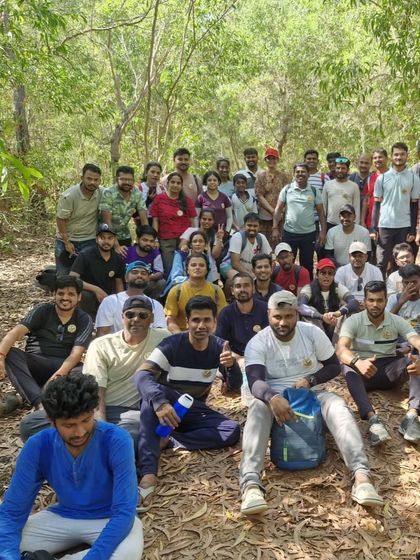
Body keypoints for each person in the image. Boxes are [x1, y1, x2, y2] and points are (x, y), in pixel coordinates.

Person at [239, 291, 383, 515]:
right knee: (257, 407)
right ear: (268, 315)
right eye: (277, 317)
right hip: (274, 395)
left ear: (296, 314)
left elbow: (333, 366)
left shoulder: (312, 333)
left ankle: (362, 476)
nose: (283, 322)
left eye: (288, 316)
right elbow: (255, 381)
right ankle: (250, 484)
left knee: (338, 406)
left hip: (312, 393)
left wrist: (310, 379)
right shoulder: (258, 342)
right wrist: (272, 397)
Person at [0, 373, 143, 559]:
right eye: (69, 425)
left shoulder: (117, 440)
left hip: (111, 519)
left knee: (127, 554)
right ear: (52, 421)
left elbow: (124, 512)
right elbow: (12, 512)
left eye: (86, 420)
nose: (80, 431)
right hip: (63, 516)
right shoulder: (38, 445)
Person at [134, 296, 242, 510]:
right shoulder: (172, 344)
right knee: (153, 395)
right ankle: (147, 472)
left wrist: (232, 366)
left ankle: (169, 439)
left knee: (231, 431)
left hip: (192, 409)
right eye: (195, 320)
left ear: (214, 322)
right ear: (188, 322)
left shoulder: (219, 347)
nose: (201, 326)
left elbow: (234, 388)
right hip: (166, 405)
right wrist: (160, 402)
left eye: (206, 320)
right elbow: (141, 376)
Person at [20, 295, 170, 443]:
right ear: (122, 317)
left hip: (129, 413)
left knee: (137, 436)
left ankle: (86, 444)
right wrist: (101, 426)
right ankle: (97, 444)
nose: (136, 319)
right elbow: (96, 389)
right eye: (130, 315)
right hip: (91, 409)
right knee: (30, 425)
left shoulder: (164, 339)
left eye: (143, 315)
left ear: (151, 318)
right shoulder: (102, 345)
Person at [337, 280, 420, 445]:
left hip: (389, 369)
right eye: (371, 300)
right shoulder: (353, 321)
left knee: (415, 362)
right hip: (363, 371)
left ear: (386, 300)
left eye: (379, 300)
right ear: (365, 301)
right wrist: (357, 362)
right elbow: (340, 349)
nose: (375, 305)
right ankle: (373, 419)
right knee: (348, 367)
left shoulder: (396, 320)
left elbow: (416, 340)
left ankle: (412, 415)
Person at [0, 276, 92, 415]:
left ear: (79, 297)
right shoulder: (42, 311)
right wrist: (1, 356)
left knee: (86, 371)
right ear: (53, 294)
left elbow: (76, 354)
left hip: (63, 367)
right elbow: (15, 333)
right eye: (61, 293)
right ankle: (39, 402)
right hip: (35, 363)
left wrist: (57, 377)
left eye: (71, 294)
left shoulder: (84, 319)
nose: (65, 297)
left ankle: (27, 397)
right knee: (11, 354)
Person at [371, 142, 420, 274]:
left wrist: (412, 230)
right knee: (381, 262)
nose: (399, 157)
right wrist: (373, 228)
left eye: (402, 154)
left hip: (404, 226)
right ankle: (380, 292)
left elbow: (414, 205)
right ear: (391, 156)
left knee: (402, 262)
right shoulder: (382, 178)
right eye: (396, 154)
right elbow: (376, 204)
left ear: (407, 156)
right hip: (384, 226)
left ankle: (400, 292)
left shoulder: (414, 179)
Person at [272, 162, 326, 279]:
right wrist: (275, 228)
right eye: (298, 172)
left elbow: (321, 212)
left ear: (308, 174)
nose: (300, 174)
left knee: (307, 265)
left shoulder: (314, 190)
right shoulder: (287, 189)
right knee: (286, 263)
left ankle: (307, 290)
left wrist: (322, 232)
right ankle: (286, 287)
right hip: (290, 233)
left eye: (303, 172)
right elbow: (278, 210)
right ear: (294, 173)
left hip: (308, 234)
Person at [55, 163, 103, 276]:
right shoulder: (69, 195)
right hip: (67, 240)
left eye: (96, 180)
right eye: (89, 178)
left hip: (89, 239)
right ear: (82, 178)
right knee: (64, 275)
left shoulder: (102, 193)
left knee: (88, 275)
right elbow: (60, 219)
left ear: (100, 180)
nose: (92, 182)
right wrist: (66, 241)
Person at [69, 223, 125, 318]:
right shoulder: (85, 254)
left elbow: (119, 283)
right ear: (96, 239)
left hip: (107, 297)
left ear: (115, 240)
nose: (106, 241)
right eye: (102, 238)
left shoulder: (118, 258)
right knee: (83, 295)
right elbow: (72, 278)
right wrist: (96, 289)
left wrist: (120, 302)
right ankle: (83, 319)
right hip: (88, 296)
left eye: (110, 238)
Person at [95, 261, 166, 336]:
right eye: (134, 272)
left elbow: (160, 334)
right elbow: (102, 333)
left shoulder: (156, 305)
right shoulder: (110, 301)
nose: (139, 275)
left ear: (148, 279)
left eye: (143, 273)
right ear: (126, 278)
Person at [297, 258, 359, 340]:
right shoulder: (309, 288)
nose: (326, 276)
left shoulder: (338, 287)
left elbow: (354, 302)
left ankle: (339, 346)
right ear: (317, 275)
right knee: (309, 312)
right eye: (323, 273)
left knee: (349, 311)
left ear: (334, 276)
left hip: (333, 324)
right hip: (316, 325)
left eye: (330, 273)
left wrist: (338, 313)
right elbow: (301, 306)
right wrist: (322, 317)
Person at [164, 253, 227, 333]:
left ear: (207, 269)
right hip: (182, 333)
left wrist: (210, 336)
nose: (197, 267)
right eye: (193, 265)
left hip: (209, 334)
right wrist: (180, 336)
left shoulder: (216, 290)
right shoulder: (176, 290)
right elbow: (170, 319)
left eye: (201, 265)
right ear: (187, 269)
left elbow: (221, 319)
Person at [151, 171, 196, 276]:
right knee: (170, 269)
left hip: (184, 240)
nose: (175, 185)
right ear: (167, 183)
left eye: (178, 183)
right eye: (173, 182)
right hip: (166, 241)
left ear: (181, 185)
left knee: (185, 268)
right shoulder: (159, 199)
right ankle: (170, 291)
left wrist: (191, 239)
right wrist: (156, 239)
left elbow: (192, 222)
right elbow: (155, 220)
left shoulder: (187, 201)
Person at [216, 272, 269, 358]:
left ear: (253, 289)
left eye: (246, 285)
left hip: (263, 357)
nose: (242, 289)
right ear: (232, 291)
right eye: (238, 286)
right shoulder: (226, 314)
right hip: (235, 359)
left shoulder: (266, 310)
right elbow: (219, 343)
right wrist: (237, 358)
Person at [100, 165, 147, 256]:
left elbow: (144, 220)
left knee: (126, 263)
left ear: (133, 180)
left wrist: (145, 240)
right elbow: (107, 222)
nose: (127, 182)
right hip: (106, 236)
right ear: (117, 179)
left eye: (129, 180)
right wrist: (116, 246)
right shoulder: (108, 193)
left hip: (124, 234)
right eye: (123, 179)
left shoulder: (137, 193)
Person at [165, 230, 219, 295]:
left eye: (201, 241)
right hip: (181, 288)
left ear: (205, 245)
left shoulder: (207, 257)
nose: (198, 244)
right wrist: (195, 280)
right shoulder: (181, 255)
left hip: (201, 288)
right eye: (195, 241)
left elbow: (210, 279)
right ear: (190, 245)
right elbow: (175, 279)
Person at [221, 212, 272, 281]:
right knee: (240, 281)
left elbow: (269, 259)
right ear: (244, 226)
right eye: (249, 225)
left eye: (255, 226)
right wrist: (250, 275)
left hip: (252, 269)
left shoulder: (261, 238)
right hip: (229, 266)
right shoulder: (237, 237)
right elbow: (235, 264)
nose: (252, 228)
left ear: (259, 227)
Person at [254, 148, 288, 244]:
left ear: (277, 160)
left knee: (279, 243)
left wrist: (280, 212)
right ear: (265, 160)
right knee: (264, 243)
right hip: (264, 216)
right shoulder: (260, 176)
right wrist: (273, 211)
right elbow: (259, 195)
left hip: (281, 217)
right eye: (269, 158)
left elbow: (288, 194)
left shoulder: (284, 176)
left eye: (274, 158)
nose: (271, 160)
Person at [125, 224, 165, 299]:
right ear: (137, 239)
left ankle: (151, 304)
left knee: (161, 283)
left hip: (146, 282)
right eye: (145, 240)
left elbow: (160, 272)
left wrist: (146, 277)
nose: (148, 243)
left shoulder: (156, 253)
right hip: (129, 284)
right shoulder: (127, 252)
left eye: (151, 241)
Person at [322, 157, 360, 227]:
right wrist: (322, 227)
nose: (340, 170)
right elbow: (323, 207)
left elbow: (356, 208)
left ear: (347, 170)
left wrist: (356, 226)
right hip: (330, 223)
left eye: (343, 168)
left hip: (348, 223)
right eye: (338, 168)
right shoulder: (328, 185)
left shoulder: (354, 186)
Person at [386, 264, 420, 335]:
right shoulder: (394, 298)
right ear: (402, 282)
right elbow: (385, 322)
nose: (410, 286)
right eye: (406, 283)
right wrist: (400, 302)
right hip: (398, 341)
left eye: (414, 282)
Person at [361, 148, 389, 230]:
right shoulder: (370, 177)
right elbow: (366, 200)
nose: (377, 160)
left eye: (380, 157)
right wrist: (362, 221)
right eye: (375, 158)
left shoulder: (394, 175)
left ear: (387, 159)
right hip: (372, 222)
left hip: (389, 222)